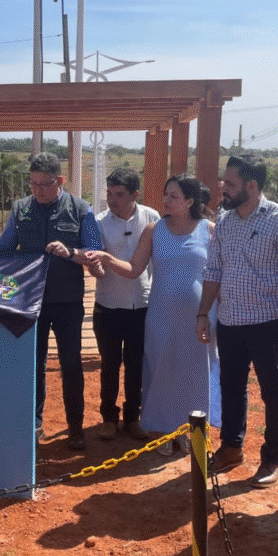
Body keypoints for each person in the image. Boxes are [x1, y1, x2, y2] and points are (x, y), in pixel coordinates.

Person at [0, 152, 102, 451]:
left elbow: (96, 251)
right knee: (33, 365)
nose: (36, 190)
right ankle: (33, 424)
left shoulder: (81, 209)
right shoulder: (21, 210)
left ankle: (75, 427)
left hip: (68, 303)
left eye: (43, 184)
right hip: (31, 303)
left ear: (59, 181)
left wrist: (70, 252)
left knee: (71, 365)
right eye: (32, 183)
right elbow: (3, 249)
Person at [86, 175, 220, 455]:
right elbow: (134, 269)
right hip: (161, 316)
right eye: (165, 194)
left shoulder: (208, 231)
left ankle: (192, 434)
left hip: (199, 319)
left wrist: (208, 312)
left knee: (195, 375)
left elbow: (219, 275)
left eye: (173, 196)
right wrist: (108, 259)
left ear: (190, 202)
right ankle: (163, 432)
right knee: (161, 372)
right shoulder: (153, 230)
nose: (166, 201)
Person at [196, 154, 278, 488]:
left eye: (229, 184)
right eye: (223, 183)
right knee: (231, 387)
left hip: (267, 323)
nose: (222, 190)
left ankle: (272, 459)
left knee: (273, 392)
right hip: (230, 322)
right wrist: (204, 313)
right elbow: (213, 271)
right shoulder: (226, 222)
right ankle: (231, 448)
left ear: (252, 186)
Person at [90, 167, 159, 441]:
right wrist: (95, 268)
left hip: (142, 305)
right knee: (109, 364)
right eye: (109, 193)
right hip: (108, 305)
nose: (112, 199)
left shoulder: (151, 218)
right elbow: (95, 266)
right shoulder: (98, 222)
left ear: (135, 195)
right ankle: (109, 417)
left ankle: (133, 417)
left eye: (119, 194)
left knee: (136, 365)